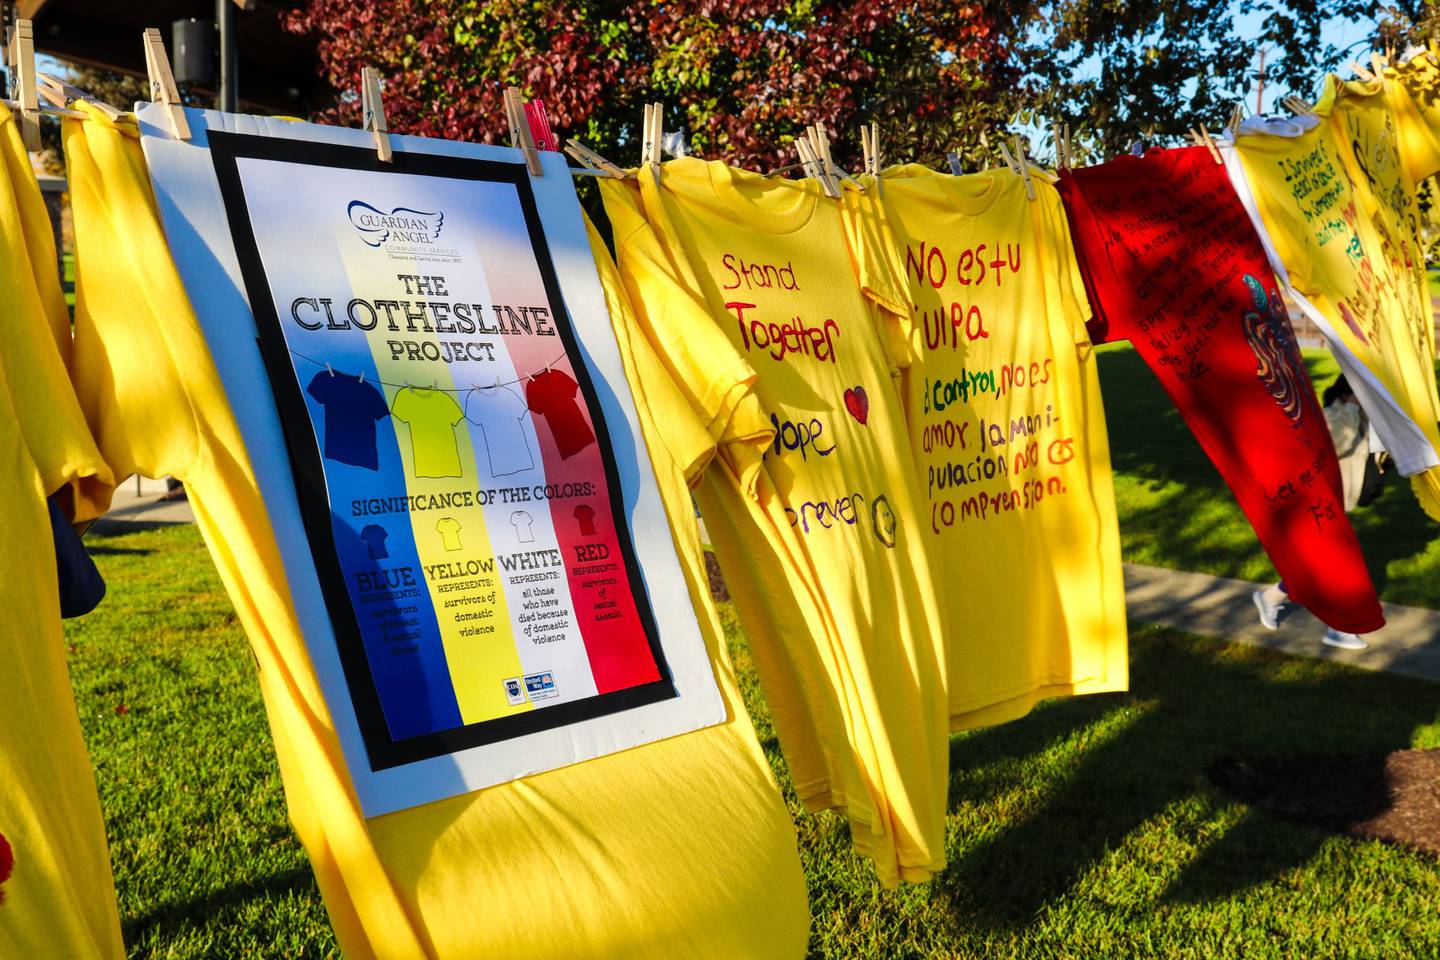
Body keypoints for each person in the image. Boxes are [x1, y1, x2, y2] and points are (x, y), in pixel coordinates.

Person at [1252, 373, 1374, 649]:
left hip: (1335, 504)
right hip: (1320, 504)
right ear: (1348, 394)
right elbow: (1336, 444)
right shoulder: (1332, 415)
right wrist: (1354, 408)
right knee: (1337, 565)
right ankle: (1339, 628)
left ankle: (1271, 597)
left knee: (1313, 565)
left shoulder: (1357, 415)